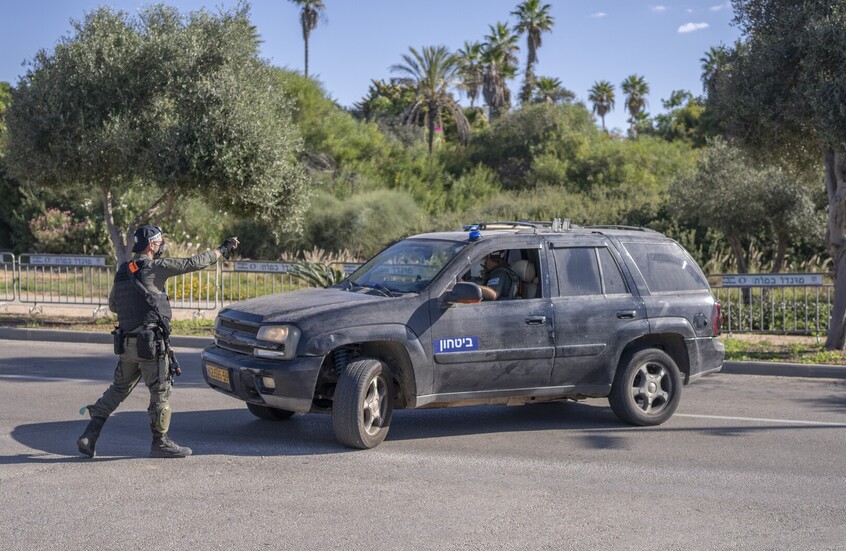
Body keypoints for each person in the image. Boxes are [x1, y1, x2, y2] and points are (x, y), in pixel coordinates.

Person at [77, 225, 240, 459]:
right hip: (150, 344)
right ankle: (160, 443)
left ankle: (89, 435)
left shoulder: (123, 271)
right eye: (160, 242)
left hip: (126, 344)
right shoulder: (155, 267)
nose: (162, 245)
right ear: (152, 245)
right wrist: (222, 249)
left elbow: (114, 305)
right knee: (160, 391)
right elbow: (192, 263)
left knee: (118, 389)